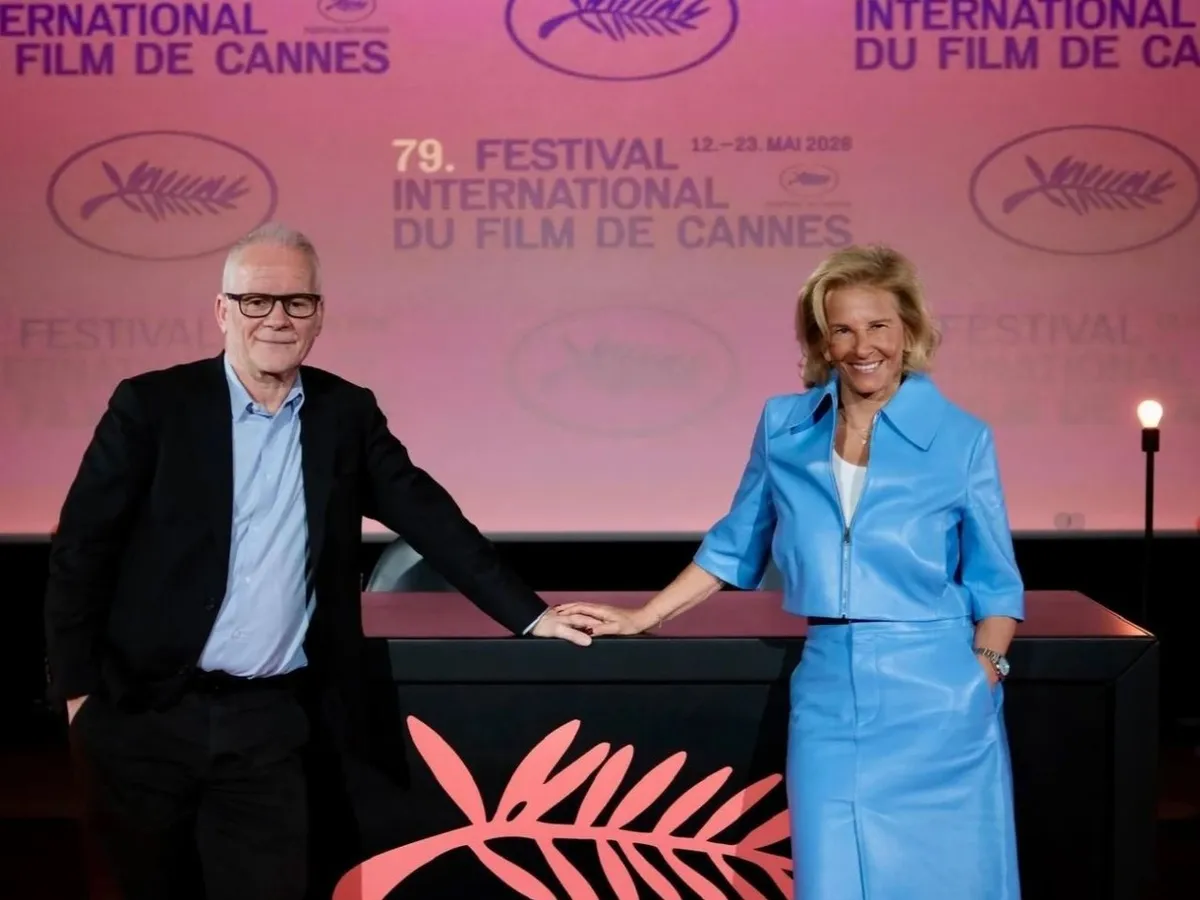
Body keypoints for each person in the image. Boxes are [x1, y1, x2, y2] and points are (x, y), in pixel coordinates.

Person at [43, 222, 601, 900]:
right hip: (141, 715)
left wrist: (531, 616)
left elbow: (433, 520)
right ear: (222, 310)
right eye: (257, 301)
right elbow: (82, 550)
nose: (277, 318)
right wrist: (78, 695)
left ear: (319, 315)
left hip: (268, 726)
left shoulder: (345, 414)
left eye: (297, 302)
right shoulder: (153, 406)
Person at [554, 244, 1025, 899]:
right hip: (828, 690)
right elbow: (735, 544)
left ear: (910, 331)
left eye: (879, 325)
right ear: (822, 342)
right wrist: (644, 616)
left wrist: (983, 675)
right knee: (831, 882)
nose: (863, 345)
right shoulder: (785, 427)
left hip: (938, 692)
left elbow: (996, 582)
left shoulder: (962, 438)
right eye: (843, 329)